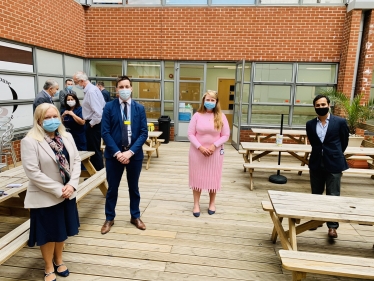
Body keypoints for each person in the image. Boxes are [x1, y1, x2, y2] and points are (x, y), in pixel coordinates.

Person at [21, 103, 81, 281]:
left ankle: (59, 259)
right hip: (46, 196)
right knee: (48, 233)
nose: (52, 120)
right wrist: (58, 189)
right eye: (47, 117)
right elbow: (33, 172)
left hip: (67, 193)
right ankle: (48, 266)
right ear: (38, 120)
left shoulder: (66, 136)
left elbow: (76, 161)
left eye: (55, 116)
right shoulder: (30, 141)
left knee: (61, 230)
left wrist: (72, 185)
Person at [101, 75, 148, 234]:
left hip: (134, 155)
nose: (124, 90)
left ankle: (135, 216)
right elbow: (105, 132)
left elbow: (143, 133)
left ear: (131, 88)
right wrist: (118, 153)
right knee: (112, 189)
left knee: (134, 188)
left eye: (127, 86)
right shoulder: (108, 107)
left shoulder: (139, 108)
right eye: (121, 87)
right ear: (116, 90)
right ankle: (109, 218)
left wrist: (130, 152)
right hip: (114, 156)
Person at [306, 94, 349, 239]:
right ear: (315, 107)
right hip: (317, 162)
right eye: (318, 105)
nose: (321, 107)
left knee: (333, 196)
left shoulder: (340, 122)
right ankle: (316, 220)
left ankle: (332, 226)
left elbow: (344, 142)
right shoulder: (310, 124)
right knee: (316, 194)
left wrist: (335, 154)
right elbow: (314, 143)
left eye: (323, 105)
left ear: (328, 105)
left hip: (334, 163)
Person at [188, 90, 230, 217]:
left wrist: (214, 145)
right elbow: (190, 134)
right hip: (197, 152)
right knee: (197, 178)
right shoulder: (197, 116)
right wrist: (200, 147)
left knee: (213, 178)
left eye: (212, 100)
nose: (210, 102)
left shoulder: (221, 116)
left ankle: (212, 203)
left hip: (215, 153)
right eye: (208, 99)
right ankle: (196, 204)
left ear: (216, 102)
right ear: (203, 101)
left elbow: (226, 135)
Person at [73, 71, 106, 171]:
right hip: (93, 123)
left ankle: (97, 173)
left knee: (93, 150)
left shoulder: (91, 91)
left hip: (93, 123)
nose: (75, 85)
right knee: (93, 149)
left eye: (76, 82)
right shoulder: (93, 89)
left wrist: (91, 124)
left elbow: (98, 112)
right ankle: (96, 172)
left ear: (82, 81)